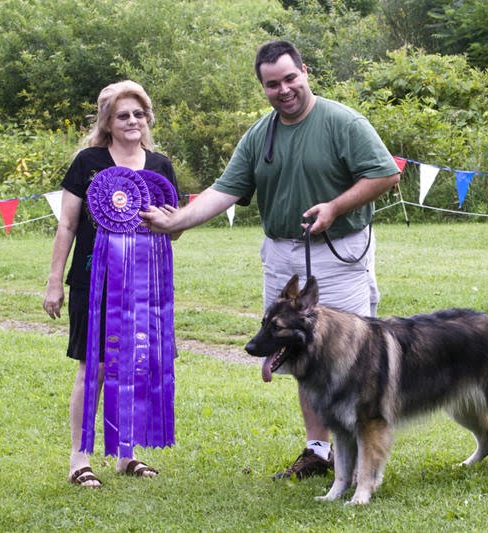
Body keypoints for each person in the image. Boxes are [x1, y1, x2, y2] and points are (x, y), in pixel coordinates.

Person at [141, 40, 400, 480]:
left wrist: (335, 207)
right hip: (283, 256)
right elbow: (224, 191)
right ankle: (318, 451)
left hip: (339, 254)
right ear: (262, 86)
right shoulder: (261, 134)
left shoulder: (343, 121)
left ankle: (356, 455)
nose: (283, 90)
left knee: (354, 359)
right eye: (272, 84)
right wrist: (177, 221)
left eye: (289, 78)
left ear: (305, 70)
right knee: (299, 354)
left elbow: (385, 174)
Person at [43, 80, 178, 487]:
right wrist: (54, 280)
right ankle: (78, 460)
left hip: (144, 287)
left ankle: (126, 455)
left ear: (147, 117)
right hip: (92, 280)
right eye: (123, 115)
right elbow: (67, 224)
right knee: (95, 368)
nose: (132, 121)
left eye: (138, 113)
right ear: (108, 121)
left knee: (133, 365)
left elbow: (175, 230)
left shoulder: (160, 166)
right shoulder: (89, 162)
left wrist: (167, 221)